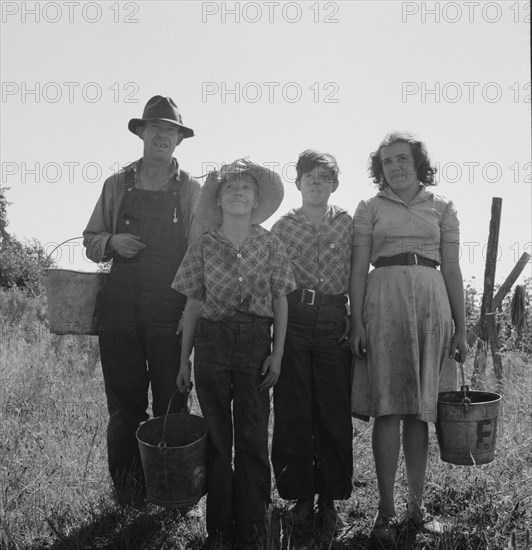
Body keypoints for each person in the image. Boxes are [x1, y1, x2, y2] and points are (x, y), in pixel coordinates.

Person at [83, 95, 202, 506]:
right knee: (124, 404)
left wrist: (190, 309)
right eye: (156, 129)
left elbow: (200, 250)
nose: (163, 136)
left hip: (170, 308)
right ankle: (130, 496)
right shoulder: (117, 184)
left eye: (171, 131)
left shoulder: (190, 189)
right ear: (141, 133)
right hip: (120, 307)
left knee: (172, 399)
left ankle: (174, 496)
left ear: (179, 139)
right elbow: (90, 240)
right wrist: (112, 241)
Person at [349, 131, 467, 545]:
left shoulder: (442, 207)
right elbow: (358, 268)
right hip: (383, 301)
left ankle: (416, 510)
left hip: (432, 303)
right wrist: (356, 322)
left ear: (418, 162)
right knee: (388, 407)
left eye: (402, 159)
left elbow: (451, 270)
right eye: (387, 162)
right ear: (378, 170)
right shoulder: (369, 208)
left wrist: (462, 327)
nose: (395, 167)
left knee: (421, 410)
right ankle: (385, 512)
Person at [172, 159, 296, 550]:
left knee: (253, 437)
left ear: (256, 199)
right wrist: (183, 360)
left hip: (256, 343)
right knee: (218, 438)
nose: (239, 193)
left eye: (246, 188)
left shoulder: (270, 244)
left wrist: (277, 354)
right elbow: (192, 305)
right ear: (219, 200)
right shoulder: (204, 246)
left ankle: (253, 530)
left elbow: (280, 300)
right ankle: (220, 532)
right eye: (231, 189)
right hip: (211, 343)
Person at [270, 150, 353, 532]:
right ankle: (300, 496)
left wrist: (355, 321)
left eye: (324, 177)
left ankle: (330, 498)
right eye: (309, 177)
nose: (316, 183)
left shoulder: (348, 224)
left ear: (334, 184)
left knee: (332, 410)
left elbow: (357, 274)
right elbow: (273, 282)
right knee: (294, 408)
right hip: (296, 318)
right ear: (298, 182)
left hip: (335, 318)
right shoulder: (283, 227)